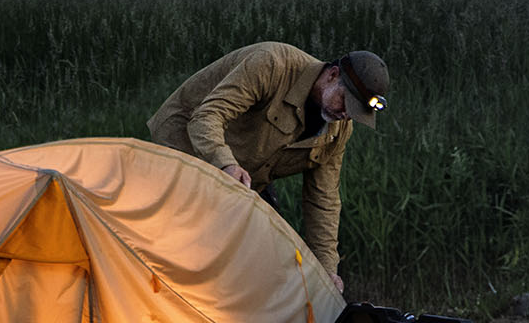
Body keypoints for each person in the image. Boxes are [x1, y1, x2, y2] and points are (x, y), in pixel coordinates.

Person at [147, 43, 388, 291]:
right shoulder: (272, 65)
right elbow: (206, 116)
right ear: (332, 75)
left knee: (265, 255)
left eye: (355, 112)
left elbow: (323, 200)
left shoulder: (337, 131)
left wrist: (327, 269)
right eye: (345, 102)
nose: (346, 115)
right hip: (185, 145)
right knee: (181, 248)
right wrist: (226, 164)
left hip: (245, 177)